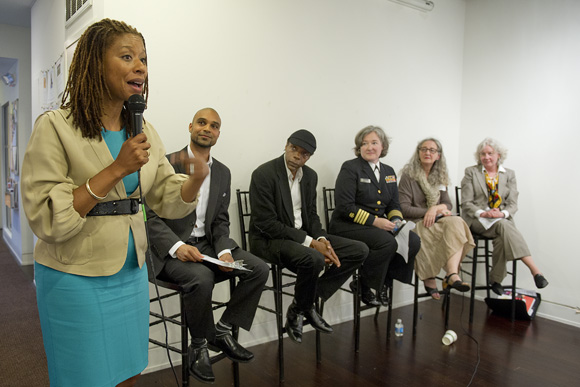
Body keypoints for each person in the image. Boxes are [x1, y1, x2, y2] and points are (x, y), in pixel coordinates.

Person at [20, 19, 207, 387]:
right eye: (127, 57)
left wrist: (195, 181)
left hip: (131, 273)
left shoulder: (143, 128)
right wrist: (116, 168)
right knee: (84, 377)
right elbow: (46, 217)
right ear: (95, 63)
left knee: (128, 372)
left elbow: (165, 196)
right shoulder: (55, 126)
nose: (141, 67)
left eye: (143, 58)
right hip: (74, 275)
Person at [145, 108, 269, 384]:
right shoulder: (167, 163)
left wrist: (224, 250)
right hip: (170, 251)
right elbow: (148, 215)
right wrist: (176, 246)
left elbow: (220, 221)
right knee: (201, 279)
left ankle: (222, 330)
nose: (207, 128)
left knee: (258, 268)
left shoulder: (222, 172)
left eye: (214, 126)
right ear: (190, 126)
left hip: (208, 246)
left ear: (218, 134)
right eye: (202, 123)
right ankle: (199, 343)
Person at [249, 129, 368, 344]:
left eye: (304, 154)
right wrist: (311, 243)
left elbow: (311, 215)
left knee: (359, 250)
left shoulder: (310, 176)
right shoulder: (263, 174)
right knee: (313, 258)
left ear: (309, 157)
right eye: (294, 149)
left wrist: (322, 239)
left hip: (301, 238)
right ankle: (306, 308)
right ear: (286, 145)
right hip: (269, 240)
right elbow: (266, 224)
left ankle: (302, 305)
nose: (297, 155)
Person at [329, 125, 421, 306]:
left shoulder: (389, 172)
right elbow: (344, 206)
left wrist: (395, 219)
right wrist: (375, 221)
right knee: (387, 242)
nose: (369, 147)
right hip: (348, 225)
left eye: (374, 143)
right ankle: (367, 285)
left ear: (383, 146)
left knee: (413, 241)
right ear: (359, 147)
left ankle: (383, 282)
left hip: (377, 225)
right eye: (364, 143)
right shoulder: (350, 168)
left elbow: (394, 204)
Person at [460, 138, 549, 295]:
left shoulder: (509, 174)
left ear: (498, 155)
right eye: (483, 154)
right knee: (503, 225)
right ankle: (535, 270)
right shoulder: (471, 172)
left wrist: (502, 213)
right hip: (477, 220)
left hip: (499, 220)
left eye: (490, 153)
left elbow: (513, 204)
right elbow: (466, 203)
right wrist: (484, 213)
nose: (486, 157)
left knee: (502, 235)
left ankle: (495, 281)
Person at [399, 138, 475, 299]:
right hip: (415, 223)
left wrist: (436, 208)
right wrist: (429, 212)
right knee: (427, 232)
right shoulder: (408, 176)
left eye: (432, 150)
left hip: (437, 221)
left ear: (438, 156)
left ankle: (452, 274)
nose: (427, 152)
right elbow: (403, 208)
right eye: (424, 149)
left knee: (457, 222)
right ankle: (429, 277)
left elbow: (447, 204)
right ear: (418, 152)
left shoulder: (439, 176)